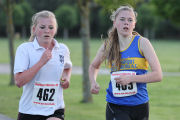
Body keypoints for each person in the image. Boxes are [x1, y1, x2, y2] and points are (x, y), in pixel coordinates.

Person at [89, 5, 162, 120]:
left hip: (140, 105)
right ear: (115, 23)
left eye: (130, 20)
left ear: (134, 24)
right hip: (116, 105)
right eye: (122, 19)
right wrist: (93, 82)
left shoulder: (142, 43)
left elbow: (158, 75)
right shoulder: (108, 45)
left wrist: (131, 78)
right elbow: (94, 66)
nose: (126, 23)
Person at [14, 10, 72, 120]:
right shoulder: (25, 49)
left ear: (55, 30)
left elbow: (67, 67)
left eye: (51, 27)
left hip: (55, 110)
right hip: (29, 111)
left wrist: (66, 78)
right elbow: (19, 81)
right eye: (42, 27)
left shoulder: (62, 49)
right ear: (34, 29)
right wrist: (41, 62)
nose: (47, 31)